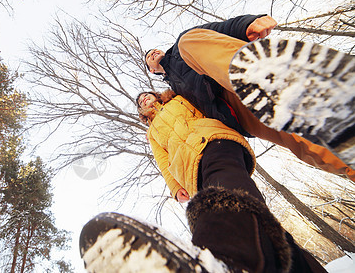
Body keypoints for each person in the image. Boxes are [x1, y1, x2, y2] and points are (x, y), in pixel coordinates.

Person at [136, 89, 327, 272]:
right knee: (253, 213)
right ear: (142, 111)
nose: (144, 99)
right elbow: (162, 160)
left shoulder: (177, 99)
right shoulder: (152, 133)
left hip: (213, 140)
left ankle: (222, 257)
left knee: (223, 194)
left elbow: (204, 102)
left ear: (156, 95)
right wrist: (175, 187)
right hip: (189, 170)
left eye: (146, 95)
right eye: (140, 101)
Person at [144, 14, 354, 181]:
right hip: (231, 113)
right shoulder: (173, 97)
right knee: (299, 138)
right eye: (148, 58)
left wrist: (247, 24)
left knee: (188, 42)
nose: (152, 54)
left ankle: (262, 72)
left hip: (226, 75)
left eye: (153, 50)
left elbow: (221, 29)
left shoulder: (182, 46)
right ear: (153, 72)